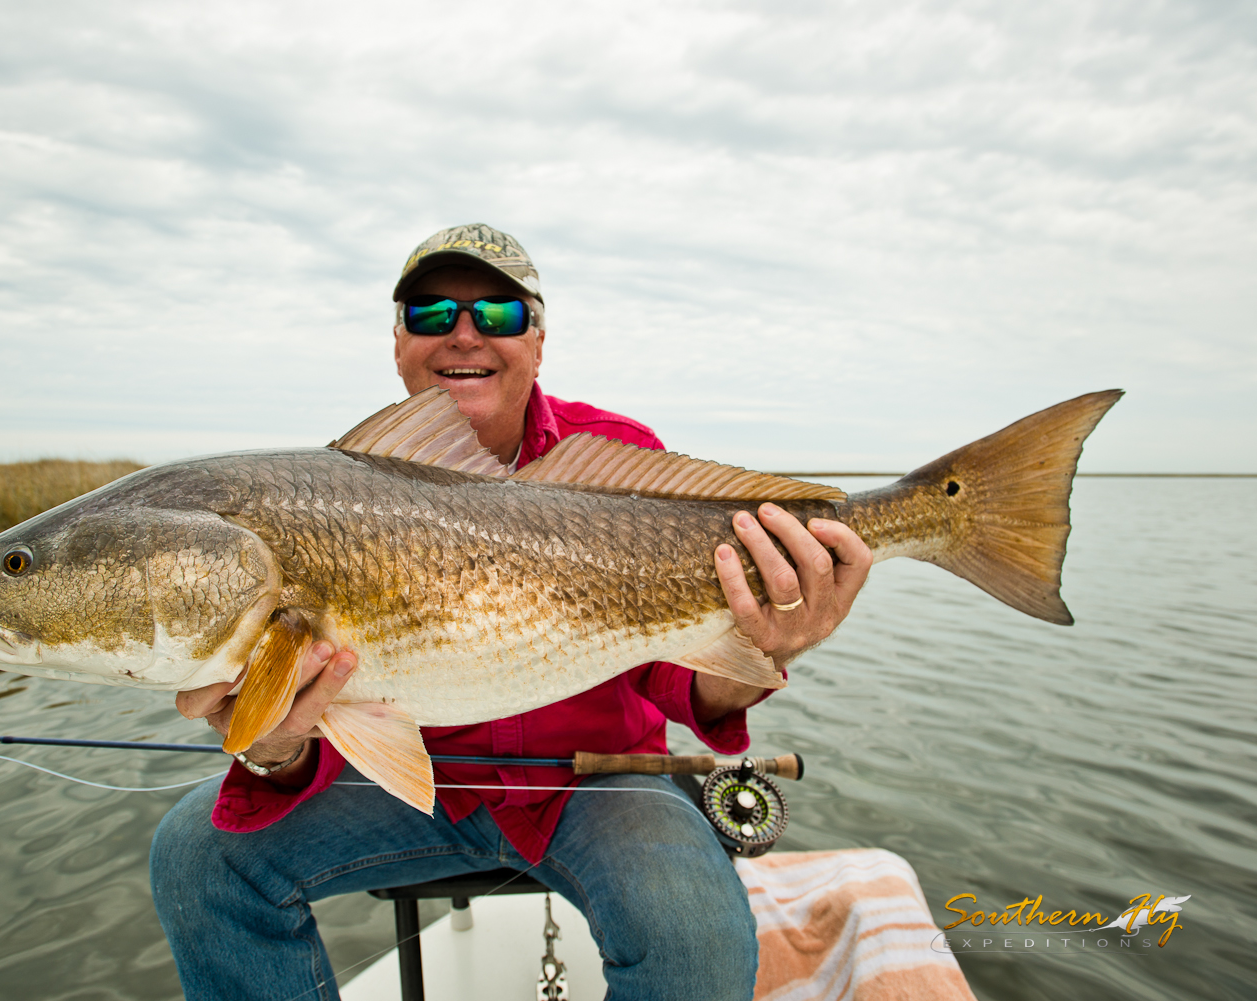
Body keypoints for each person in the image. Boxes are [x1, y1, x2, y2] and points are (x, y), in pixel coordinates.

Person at [150, 224, 873, 1001]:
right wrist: (275, 747)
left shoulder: (614, 456)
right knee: (195, 855)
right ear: (397, 341)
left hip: (597, 786)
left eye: (495, 313)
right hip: (415, 791)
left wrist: (764, 648)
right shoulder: (335, 488)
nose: (464, 333)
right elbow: (322, 735)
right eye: (430, 314)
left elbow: (683, 677)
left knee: (694, 937)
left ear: (536, 336)